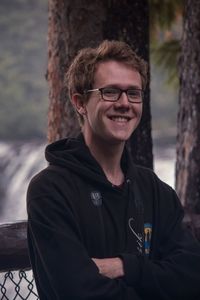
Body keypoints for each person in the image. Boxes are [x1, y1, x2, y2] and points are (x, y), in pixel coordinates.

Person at [27, 40, 200, 300]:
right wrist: (159, 282)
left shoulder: (153, 189)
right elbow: (78, 292)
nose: (124, 103)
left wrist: (126, 267)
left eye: (133, 93)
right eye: (110, 92)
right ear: (80, 102)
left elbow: (192, 276)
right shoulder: (50, 191)